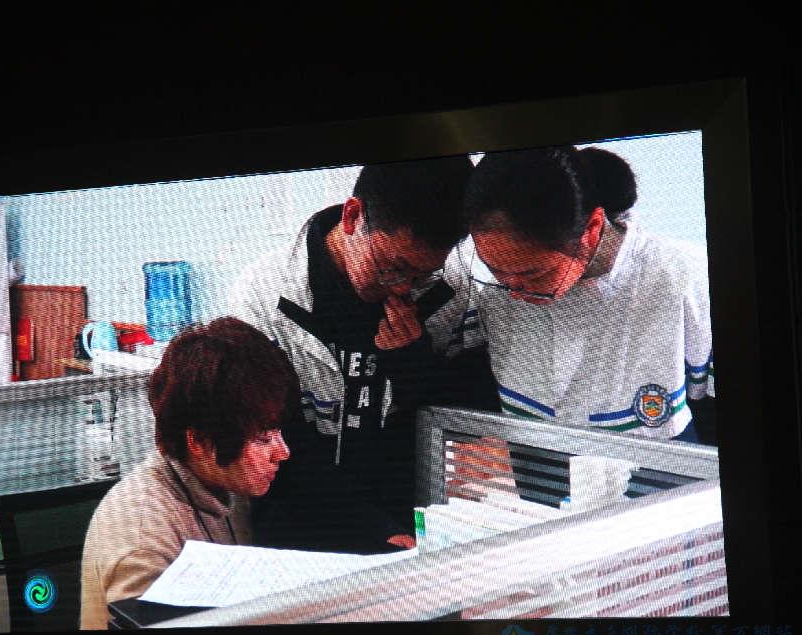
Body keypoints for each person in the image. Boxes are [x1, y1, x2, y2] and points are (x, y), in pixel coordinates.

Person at [228, 157, 499, 555]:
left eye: (421, 275)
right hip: (303, 529)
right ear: (353, 216)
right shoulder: (263, 299)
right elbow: (279, 446)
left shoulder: (453, 292)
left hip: (414, 526)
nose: (402, 287)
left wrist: (414, 366)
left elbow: (470, 418)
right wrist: (370, 531)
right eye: (392, 267)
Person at [460, 145, 715, 445]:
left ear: (592, 229)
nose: (512, 292)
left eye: (533, 274)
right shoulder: (495, 293)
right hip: (537, 464)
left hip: (662, 466)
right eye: (495, 269)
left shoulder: (683, 276)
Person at [79, 317, 299, 629]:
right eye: (262, 438)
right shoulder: (142, 537)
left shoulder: (224, 483)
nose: (283, 452)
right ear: (199, 441)